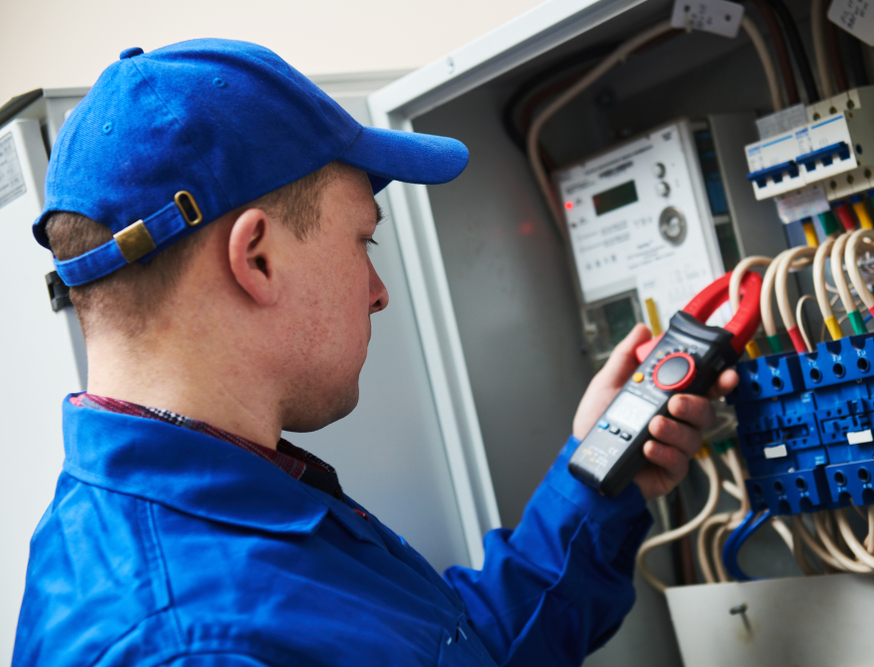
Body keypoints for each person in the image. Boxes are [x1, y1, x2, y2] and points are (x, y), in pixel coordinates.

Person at [13, 39, 737, 666]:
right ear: (257, 259)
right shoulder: (188, 643)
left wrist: (597, 475)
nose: (379, 290)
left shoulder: (220, 511)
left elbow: (460, 648)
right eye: (363, 240)